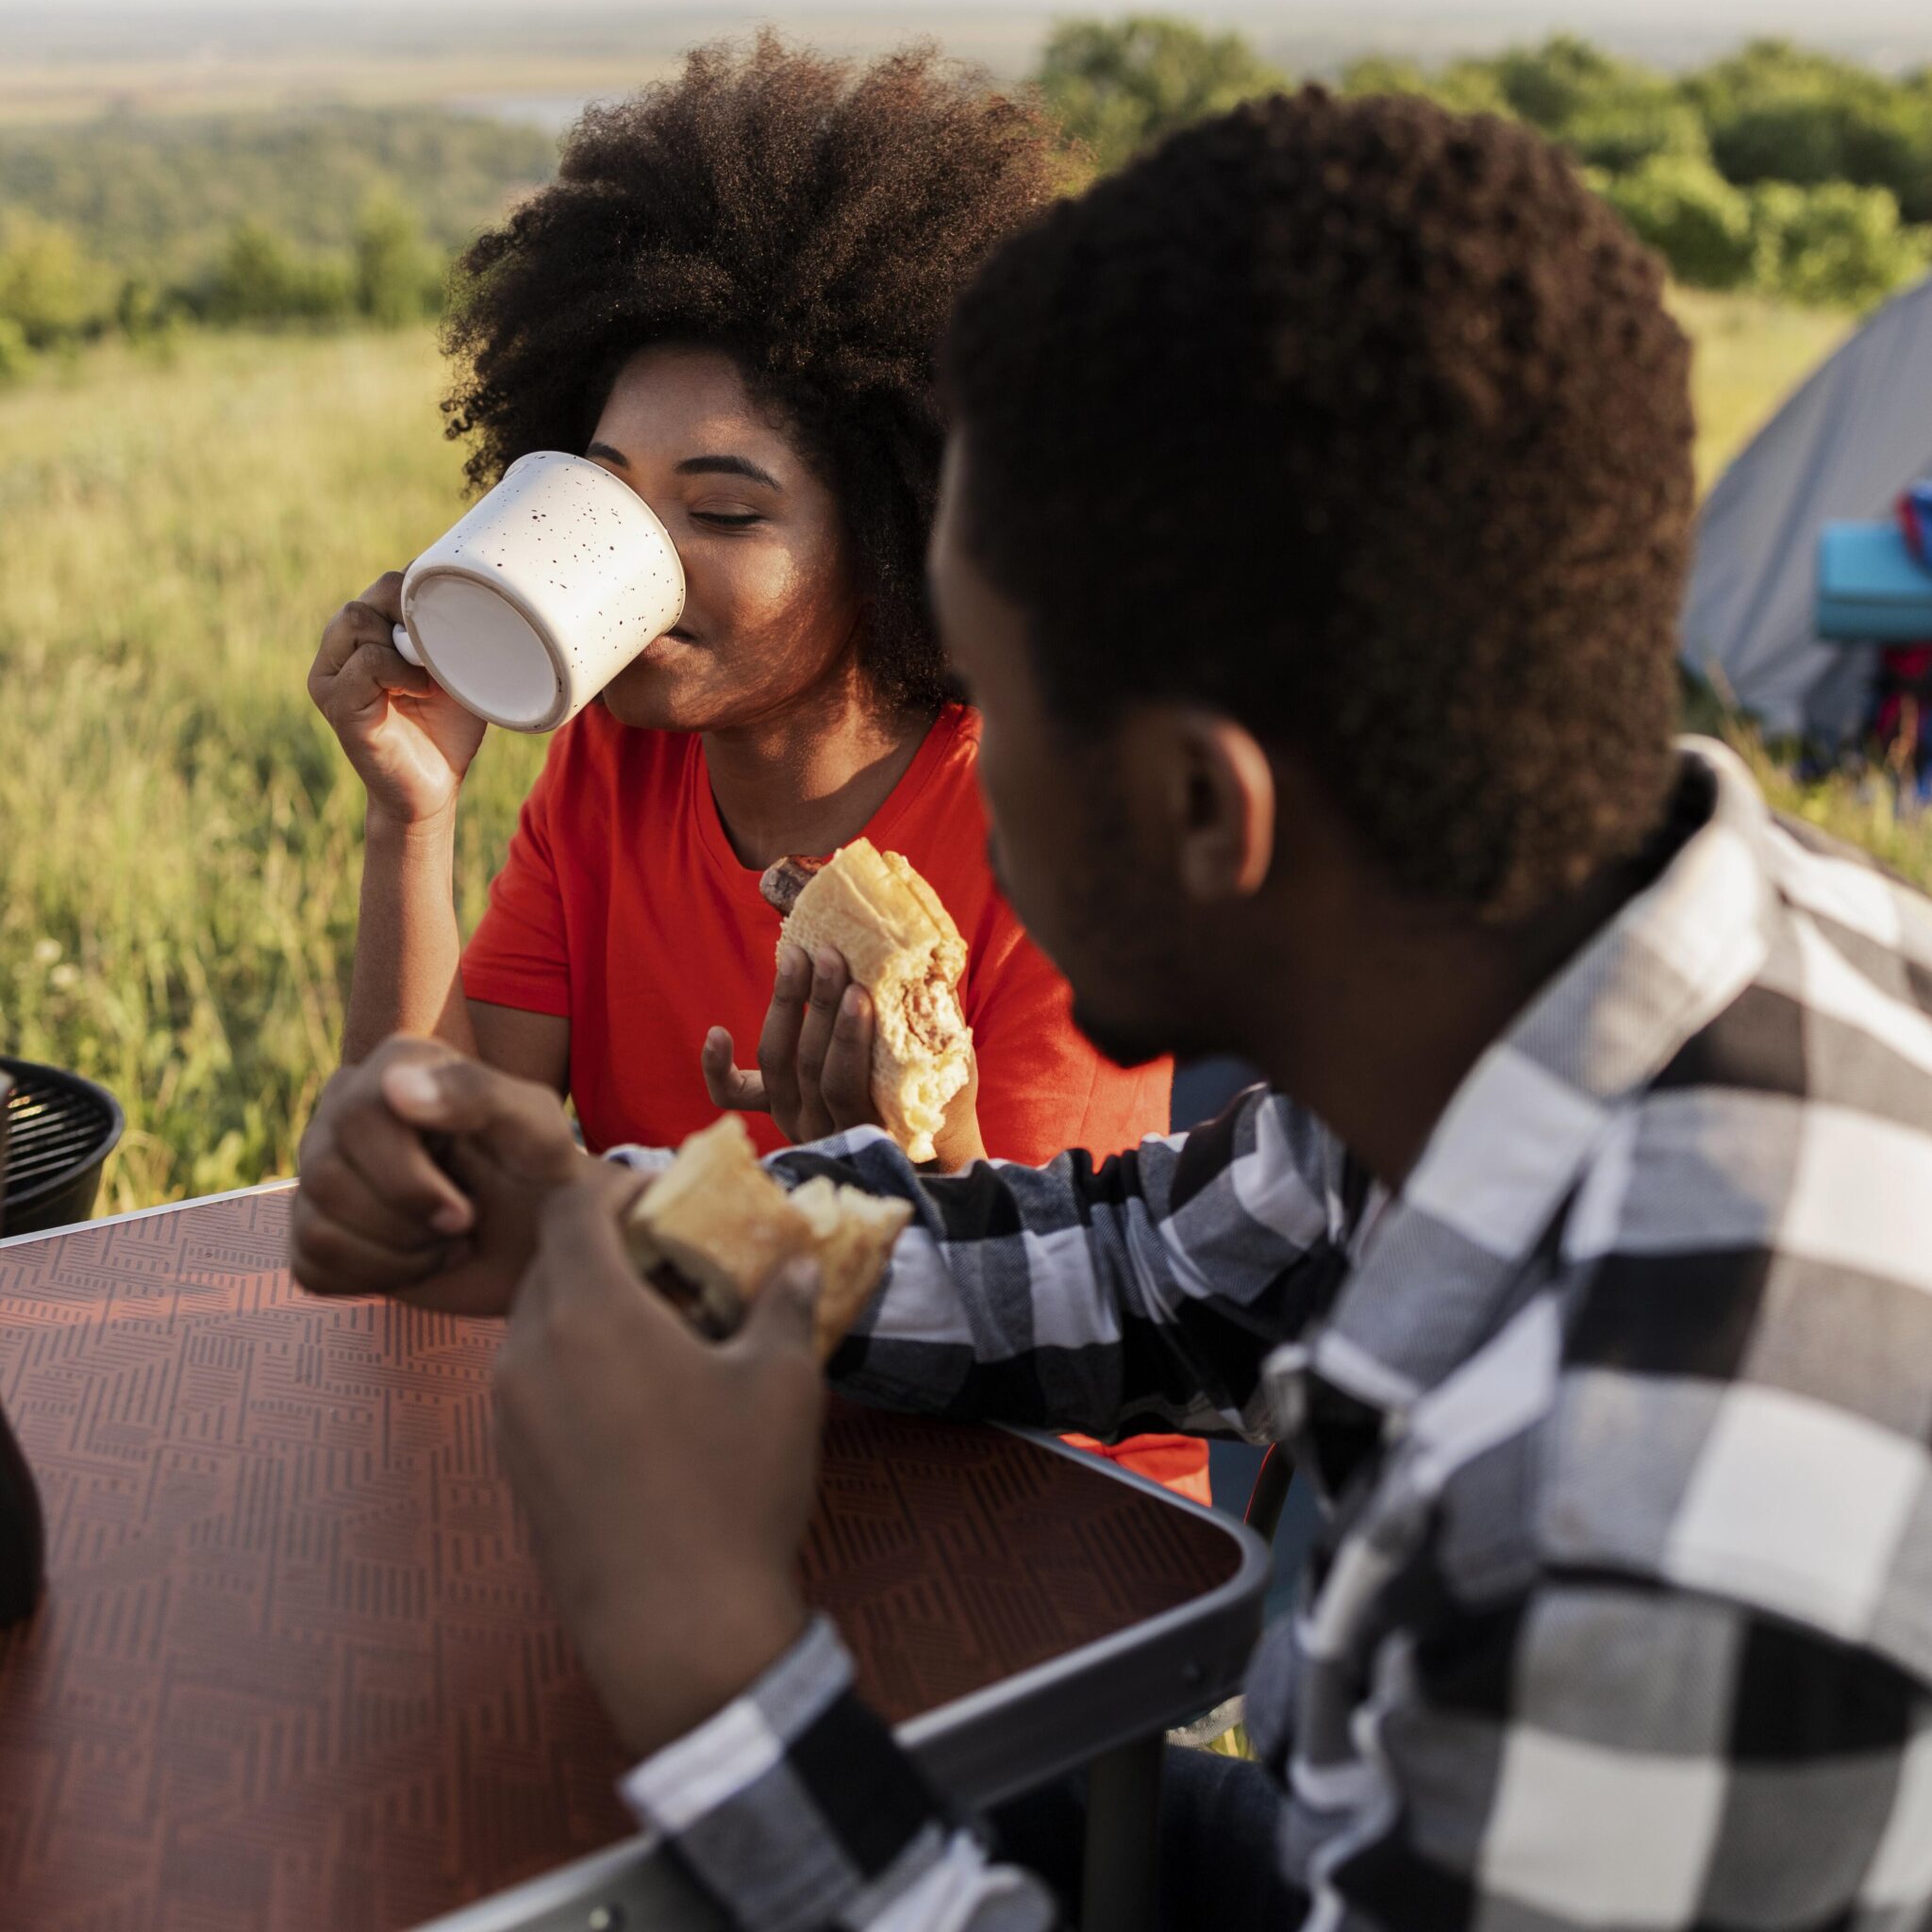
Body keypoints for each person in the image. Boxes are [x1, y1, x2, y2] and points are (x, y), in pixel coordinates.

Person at [293, 88, 1932, 1930]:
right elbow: (1148, 1268)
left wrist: (717, 1670)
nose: (957, 781)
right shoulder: (1580, 960)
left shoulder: (1630, 1548)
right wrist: (626, 1224)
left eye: (988, 691)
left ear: (1196, 809)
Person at [304, 37, 1199, 1497]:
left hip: (1039, 1513)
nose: (641, 565)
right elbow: (423, 1203)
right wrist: (415, 815)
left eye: (722, 512)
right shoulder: (610, 766)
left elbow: (1060, 1354)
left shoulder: (1047, 834)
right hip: (714, 1427)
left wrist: (888, 1162)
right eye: (605, 491)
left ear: (906, 538)